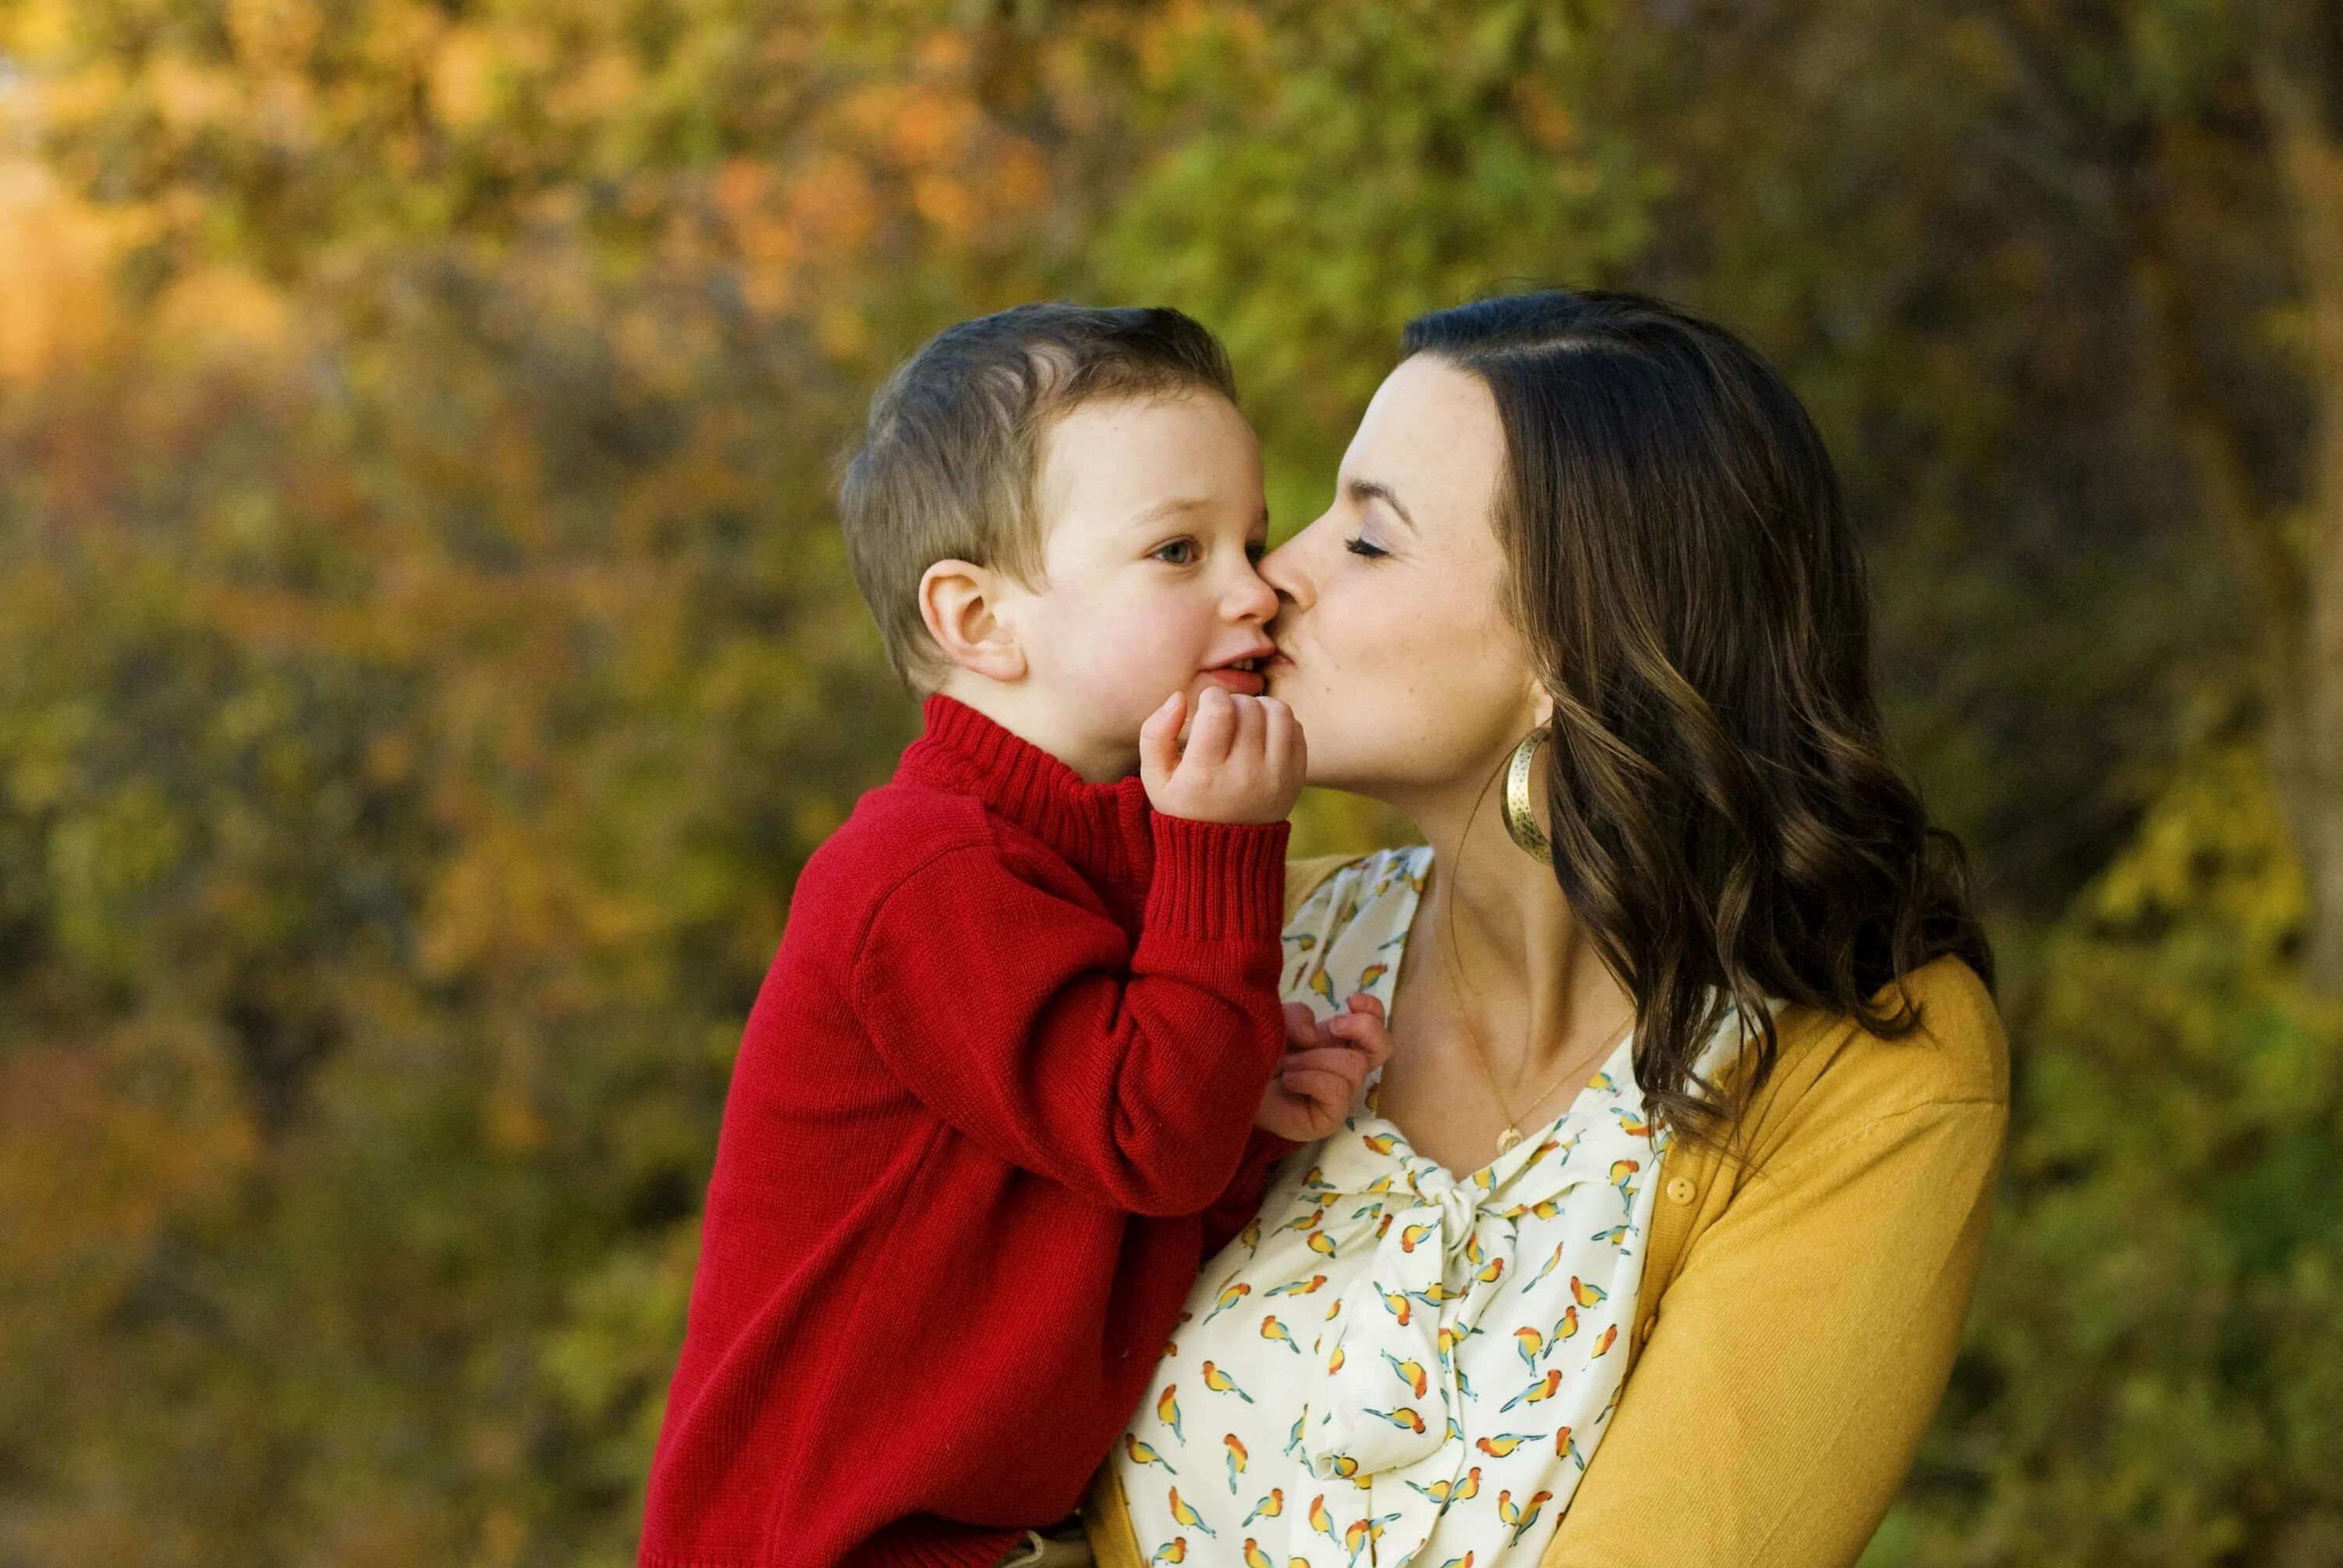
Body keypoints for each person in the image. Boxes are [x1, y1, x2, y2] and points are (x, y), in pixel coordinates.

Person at [1085, 289, 2008, 1568]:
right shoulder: (1232, 955)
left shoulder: (1861, 1072)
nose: (1270, 575)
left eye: (1367, 540)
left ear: (1574, 645)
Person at [637, 304, 1389, 1568]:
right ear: (978, 621)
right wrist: (1226, 849)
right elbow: (1144, 1138)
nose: (1255, 588)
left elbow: (1102, 1209)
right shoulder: (922, 875)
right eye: (1176, 552)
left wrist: (1245, 1115)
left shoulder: (1103, 853)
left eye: (1250, 541)